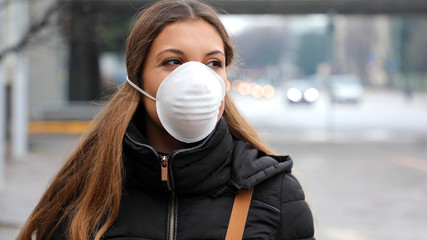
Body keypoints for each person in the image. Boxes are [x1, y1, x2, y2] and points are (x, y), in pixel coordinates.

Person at [18, 0, 315, 239]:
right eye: (173, 61)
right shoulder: (86, 192)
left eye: (214, 63)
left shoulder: (275, 194)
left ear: (225, 80)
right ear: (137, 78)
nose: (198, 79)